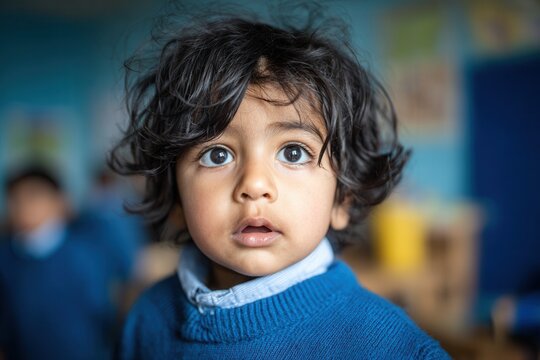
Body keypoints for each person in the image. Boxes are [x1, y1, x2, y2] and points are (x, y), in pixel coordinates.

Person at [110, 12, 450, 359]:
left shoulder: (390, 346)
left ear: (342, 200)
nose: (255, 185)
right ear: (176, 201)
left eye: (293, 152)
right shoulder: (146, 321)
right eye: (217, 155)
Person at [0, 167, 119, 359]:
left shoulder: (85, 255)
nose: (24, 207)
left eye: (33, 197)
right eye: (16, 199)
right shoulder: (5, 258)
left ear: (58, 201)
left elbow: (104, 313)